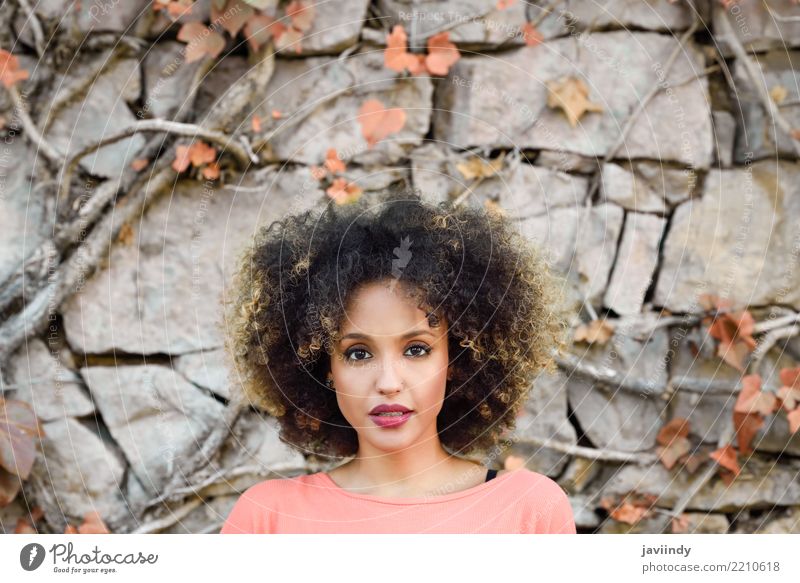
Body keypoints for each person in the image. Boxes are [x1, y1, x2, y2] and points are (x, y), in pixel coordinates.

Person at [219, 192, 576, 533]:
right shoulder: (267, 518)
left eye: (416, 349)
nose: (388, 382)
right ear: (325, 368)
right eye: (358, 353)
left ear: (456, 358)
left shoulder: (529, 510)